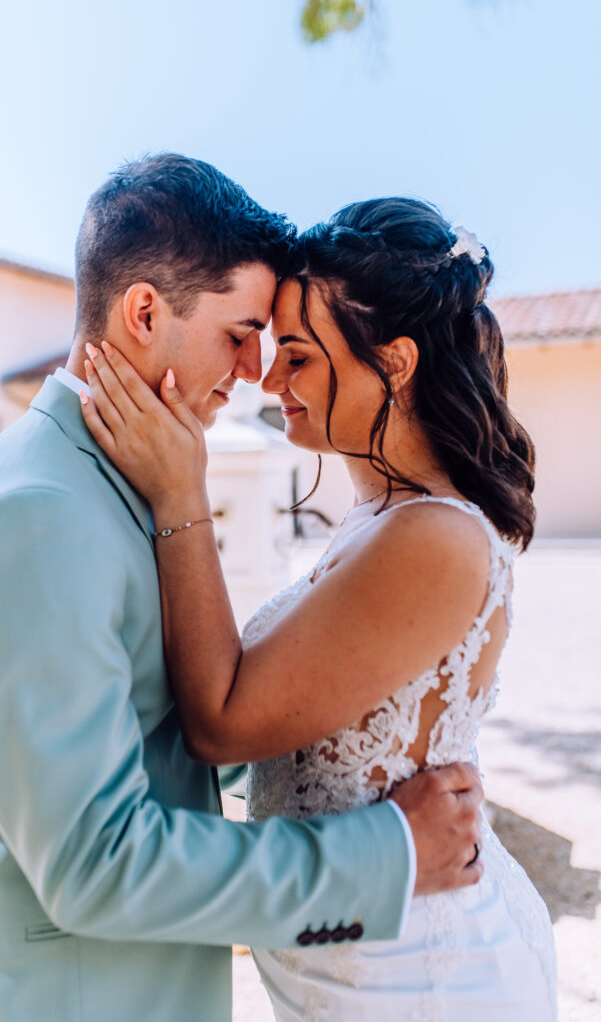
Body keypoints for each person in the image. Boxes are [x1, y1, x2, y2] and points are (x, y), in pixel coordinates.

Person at [0, 158, 484, 1022]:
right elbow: (95, 864)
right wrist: (390, 851)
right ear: (144, 312)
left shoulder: (117, 479)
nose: (256, 369)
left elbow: (145, 745)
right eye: (240, 332)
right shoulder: (35, 514)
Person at [80, 195, 557, 1020]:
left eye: (296, 354)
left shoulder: (433, 539)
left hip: (421, 983)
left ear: (395, 363)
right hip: (359, 961)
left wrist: (178, 492)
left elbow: (226, 720)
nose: (267, 379)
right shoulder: (382, 516)